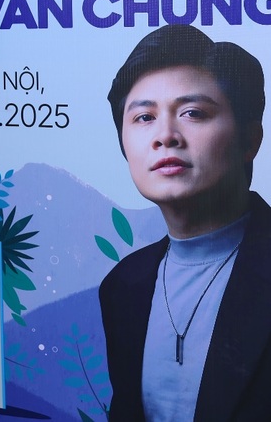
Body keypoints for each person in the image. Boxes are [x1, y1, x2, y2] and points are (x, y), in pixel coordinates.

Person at [99, 23, 271, 421]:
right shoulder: (122, 286)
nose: (165, 136)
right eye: (144, 117)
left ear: (250, 139)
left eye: (193, 113)